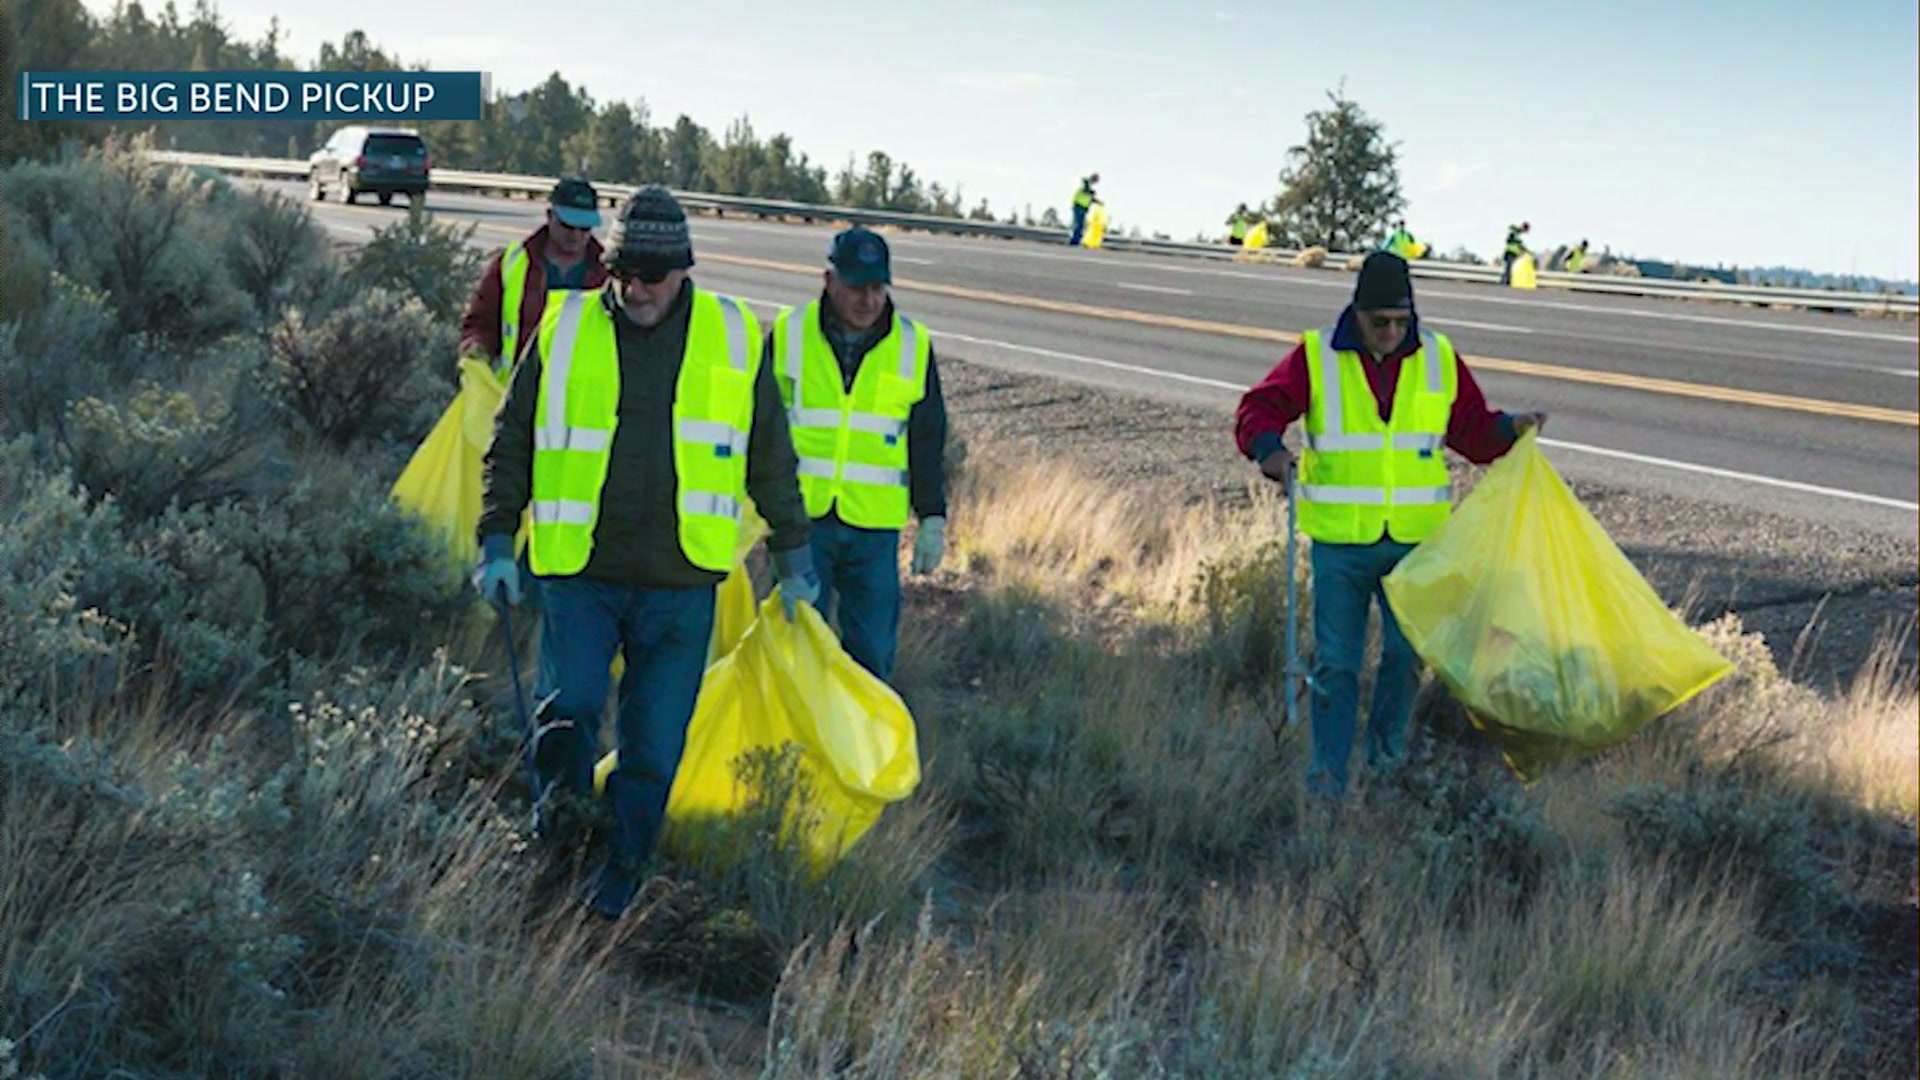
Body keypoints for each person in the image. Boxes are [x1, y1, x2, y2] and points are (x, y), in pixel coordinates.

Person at [472, 185, 820, 919]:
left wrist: (795, 562)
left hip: (679, 585)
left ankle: (619, 874)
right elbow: (512, 441)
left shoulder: (731, 337)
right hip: (578, 576)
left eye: (651, 277)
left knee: (653, 750)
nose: (635, 289)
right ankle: (558, 846)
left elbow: (771, 458)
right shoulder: (565, 328)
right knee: (567, 714)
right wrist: (497, 540)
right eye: (624, 273)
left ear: (683, 271)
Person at [1233, 252, 1547, 801]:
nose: (1393, 332)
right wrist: (1270, 454)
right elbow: (1257, 409)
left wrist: (1510, 428)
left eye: (1403, 321)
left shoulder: (1438, 357)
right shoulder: (1317, 356)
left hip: (1416, 545)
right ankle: (1328, 781)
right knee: (1337, 664)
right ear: (1357, 313)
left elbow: (1471, 431)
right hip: (1341, 542)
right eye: (1381, 322)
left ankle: (1384, 762)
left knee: (1406, 657)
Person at [769, 226, 949, 684]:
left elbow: (927, 438)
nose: (867, 300)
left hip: (873, 530)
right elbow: (760, 428)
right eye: (855, 287)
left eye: (877, 287)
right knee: (797, 652)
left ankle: (855, 753)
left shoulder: (912, 345)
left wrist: (931, 517)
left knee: (870, 658)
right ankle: (795, 749)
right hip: (803, 525)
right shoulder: (790, 334)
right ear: (828, 281)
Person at [459, 175, 610, 375]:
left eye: (584, 228)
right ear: (549, 216)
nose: (575, 235)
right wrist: (475, 347)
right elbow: (481, 321)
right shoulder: (511, 264)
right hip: (519, 391)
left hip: (580, 394)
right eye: (567, 225)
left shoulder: (608, 273)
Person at [1069, 172, 1100, 246]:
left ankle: (1076, 240)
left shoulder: (1089, 187)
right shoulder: (1086, 183)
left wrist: (1097, 201)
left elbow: (1090, 198)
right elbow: (1086, 191)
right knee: (1078, 224)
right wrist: (1092, 193)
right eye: (1095, 180)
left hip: (1083, 207)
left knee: (1081, 225)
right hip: (1079, 206)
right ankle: (1074, 241)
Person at [1500, 221, 1531, 285]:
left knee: (1510, 268)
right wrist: (1519, 243)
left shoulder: (1518, 234)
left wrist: (1526, 251)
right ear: (1523, 227)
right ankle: (1504, 282)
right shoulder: (1515, 232)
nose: (1525, 232)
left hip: (1514, 253)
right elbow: (1509, 240)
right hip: (1510, 252)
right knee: (1509, 268)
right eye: (1525, 230)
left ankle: (1507, 282)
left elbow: (1519, 245)